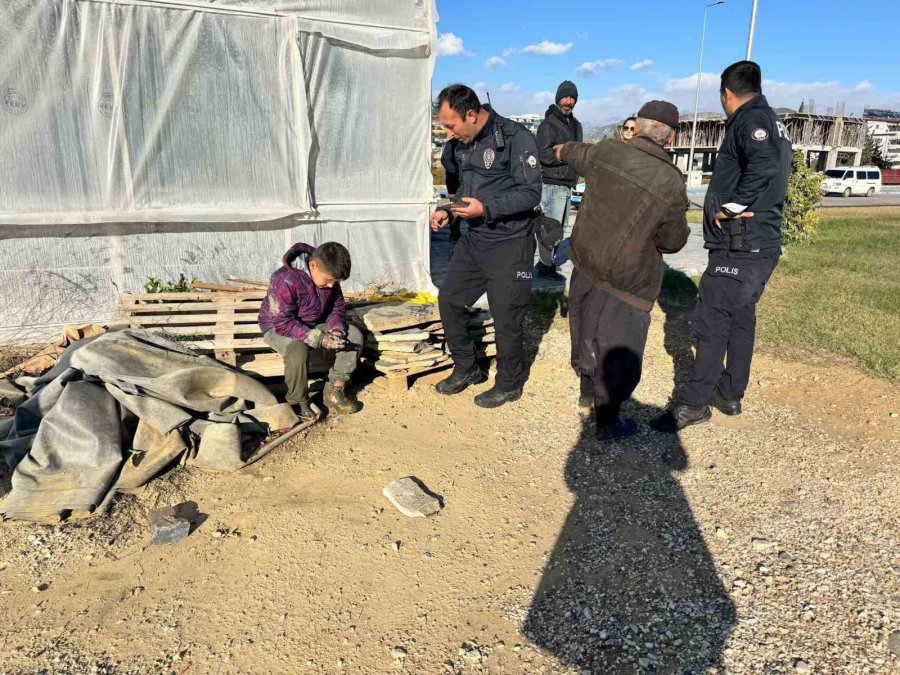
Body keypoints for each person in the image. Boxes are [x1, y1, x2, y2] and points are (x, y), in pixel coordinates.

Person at [652, 61, 792, 433]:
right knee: (741, 317)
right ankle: (730, 393)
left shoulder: (751, 121)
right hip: (759, 243)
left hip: (740, 244)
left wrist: (733, 206)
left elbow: (765, 164)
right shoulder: (771, 120)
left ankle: (694, 404)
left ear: (726, 94)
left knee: (711, 321)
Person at [553, 101, 690, 439]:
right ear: (670, 138)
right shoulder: (670, 182)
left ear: (637, 126)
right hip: (628, 281)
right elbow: (672, 242)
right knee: (619, 350)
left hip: (586, 263)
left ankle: (587, 390)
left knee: (584, 329)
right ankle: (608, 421)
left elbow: (569, 151)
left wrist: (557, 149)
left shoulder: (607, 152)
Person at [430, 84, 542, 409]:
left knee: (507, 318)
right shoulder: (465, 145)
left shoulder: (516, 138)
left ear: (471, 114)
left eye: (451, 125)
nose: (449, 132)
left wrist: (486, 209)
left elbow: (531, 193)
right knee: (449, 300)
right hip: (474, 240)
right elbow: (466, 186)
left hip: (510, 242)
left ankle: (509, 383)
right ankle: (467, 368)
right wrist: (446, 210)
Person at [258, 242, 363, 418]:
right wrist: (319, 338)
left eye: (335, 281)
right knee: (296, 348)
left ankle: (334, 390)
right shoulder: (284, 279)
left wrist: (336, 329)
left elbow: (336, 308)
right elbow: (282, 322)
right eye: (329, 280)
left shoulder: (329, 273)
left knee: (353, 336)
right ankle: (297, 400)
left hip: (312, 323)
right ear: (312, 265)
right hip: (276, 326)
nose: (331, 286)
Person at [536, 80, 583, 273]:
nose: (569, 101)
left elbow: (577, 153)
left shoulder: (577, 125)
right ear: (558, 99)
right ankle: (545, 266)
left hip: (566, 184)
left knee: (561, 228)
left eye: (572, 98)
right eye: (565, 97)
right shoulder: (548, 125)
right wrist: (565, 153)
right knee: (551, 228)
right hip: (552, 184)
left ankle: (549, 263)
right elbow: (544, 154)